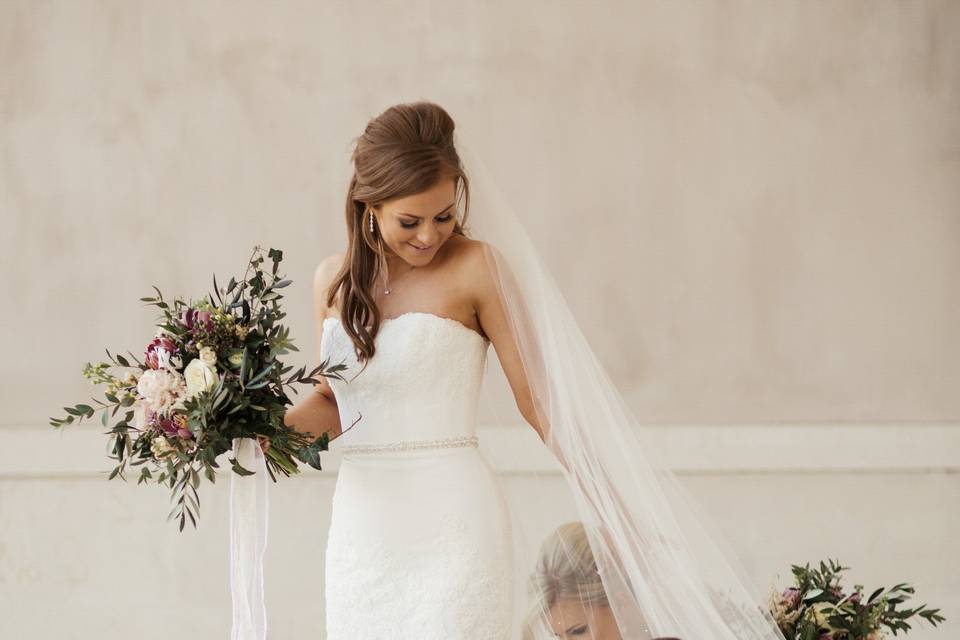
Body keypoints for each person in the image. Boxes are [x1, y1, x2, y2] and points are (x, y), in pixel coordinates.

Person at [260, 101, 787, 640]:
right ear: (368, 205)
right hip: (363, 529)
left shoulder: (477, 268)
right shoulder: (334, 280)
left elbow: (541, 403)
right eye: (409, 221)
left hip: (453, 523)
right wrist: (250, 426)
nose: (429, 236)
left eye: (443, 215)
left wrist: (617, 506)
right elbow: (331, 403)